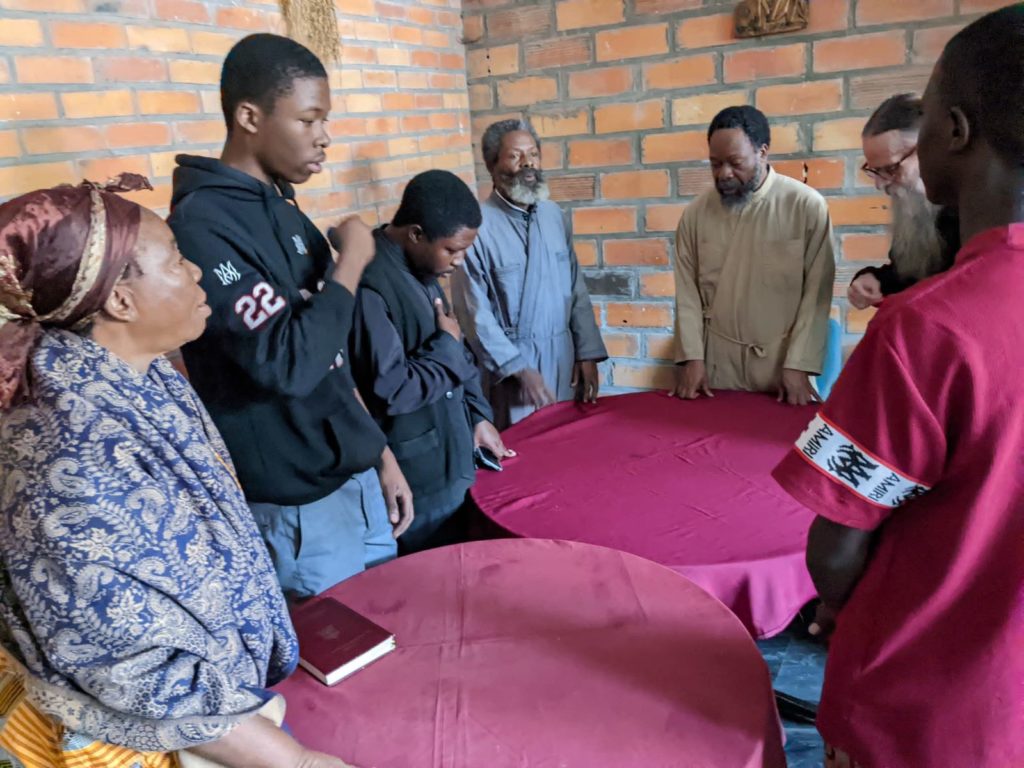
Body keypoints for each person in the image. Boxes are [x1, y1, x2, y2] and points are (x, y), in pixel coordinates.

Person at [0, 177, 355, 768]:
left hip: (214, 701)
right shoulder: (70, 453)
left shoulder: (139, 369)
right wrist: (296, 763)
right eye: (175, 259)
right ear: (120, 302)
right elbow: (135, 671)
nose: (196, 271)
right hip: (144, 741)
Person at [772, 7, 1024, 767]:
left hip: (923, 713)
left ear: (951, 129)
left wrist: (838, 600)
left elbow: (835, 544)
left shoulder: (926, 329)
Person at [167, 34, 412, 599]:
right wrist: (352, 261)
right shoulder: (202, 227)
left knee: (394, 622)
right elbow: (289, 363)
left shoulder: (284, 208)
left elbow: (330, 355)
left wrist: (378, 452)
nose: (324, 137)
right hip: (298, 504)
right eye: (308, 120)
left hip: (353, 477)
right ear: (249, 116)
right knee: (345, 667)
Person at [350, 170, 511, 552]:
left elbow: (454, 343)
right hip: (417, 475)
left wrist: (477, 416)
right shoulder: (369, 284)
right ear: (416, 233)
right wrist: (446, 344)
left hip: (451, 454)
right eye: (452, 249)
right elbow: (393, 389)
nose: (460, 260)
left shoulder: (422, 264)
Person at [670, 106, 836, 406]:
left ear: (762, 152)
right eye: (715, 164)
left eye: (735, 162)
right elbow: (687, 294)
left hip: (783, 369)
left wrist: (798, 364)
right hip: (715, 369)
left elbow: (817, 294)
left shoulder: (805, 207)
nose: (724, 174)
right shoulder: (695, 215)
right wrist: (691, 358)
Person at [450, 119, 607, 429]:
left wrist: (586, 352)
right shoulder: (477, 228)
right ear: (492, 165)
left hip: (564, 357)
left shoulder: (554, 215)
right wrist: (516, 368)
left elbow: (575, 288)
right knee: (525, 455)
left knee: (570, 445)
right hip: (512, 370)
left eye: (533, 153)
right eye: (515, 155)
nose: (528, 163)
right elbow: (473, 313)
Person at [848, 93, 960, 309]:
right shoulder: (918, 206)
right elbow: (911, 275)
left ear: (931, 148)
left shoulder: (979, 214)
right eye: (874, 171)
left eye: (890, 169)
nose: (880, 184)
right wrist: (879, 280)